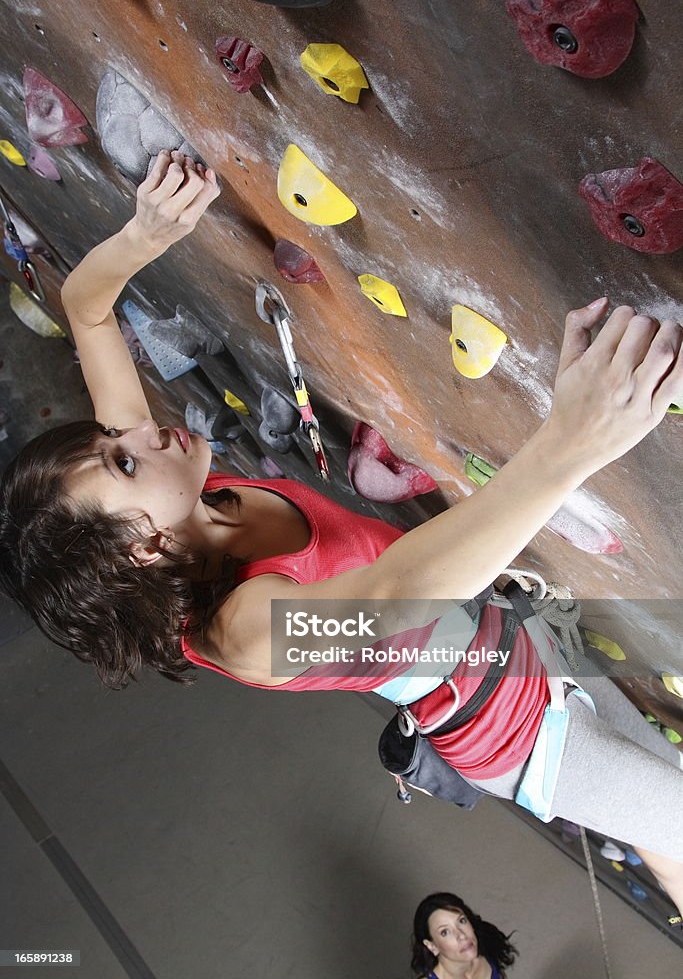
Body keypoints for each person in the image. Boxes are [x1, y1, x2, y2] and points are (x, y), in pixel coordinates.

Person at [1, 151, 682, 914]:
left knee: (667, 820)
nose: (140, 433)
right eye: (122, 463)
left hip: (526, 642)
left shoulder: (175, 494)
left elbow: (87, 308)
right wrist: (572, 440)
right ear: (146, 549)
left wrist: (146, 231)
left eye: (111, 441)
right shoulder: (246, 632)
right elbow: (399, 594)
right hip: (522, 735)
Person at [411, 891, 517, 979]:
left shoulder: (486, 952)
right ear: (432, 946)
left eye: (461, 921)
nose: (462, 935)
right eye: (445, 932)